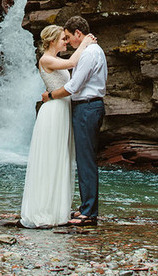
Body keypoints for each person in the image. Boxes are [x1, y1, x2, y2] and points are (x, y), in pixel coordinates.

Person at [20, 24, 97, 228]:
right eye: (63, 39)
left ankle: (57, 208)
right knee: (51, 158)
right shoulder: (46, 59)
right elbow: (73, 61)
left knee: (60, 158)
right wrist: (86, 43)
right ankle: (44, 210)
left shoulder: (56, 60)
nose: (66, 41)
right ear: (53, 41)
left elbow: (74, 65)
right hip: (53, 112)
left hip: (62, 110)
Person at [42, 15, 107, 227]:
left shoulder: (89, 53)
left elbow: (73, 87)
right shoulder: (88, 52)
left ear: (78, 34)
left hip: (87, 107)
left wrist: (50, 96)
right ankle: (86, 208)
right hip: (85, 107)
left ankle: (89, 212)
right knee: (83, 159)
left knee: (86, 160)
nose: (67, 41)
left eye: (69, 37)